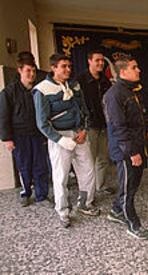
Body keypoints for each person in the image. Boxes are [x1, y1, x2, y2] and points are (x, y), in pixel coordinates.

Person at [33, 53, 100, 228]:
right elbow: (42, 123)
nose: (68, 69)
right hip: (59, 138)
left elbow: (84, 110)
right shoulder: (42, 89)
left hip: (80, 134)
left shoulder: (75, 85)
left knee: (88, 170)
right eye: (63, 66)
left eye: (69, 66)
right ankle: (63, 211)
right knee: (61, 176)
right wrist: (62, 140)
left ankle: (85, 202)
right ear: (53, 68)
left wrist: (84, 130)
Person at [103, 56, 148, 240]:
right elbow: (118, 127)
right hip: (125, 150)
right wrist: (131, 152)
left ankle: (116, 210)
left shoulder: (132, 91)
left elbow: (139, 114)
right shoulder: (114, 95)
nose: (138, 70)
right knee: (128, 187)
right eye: (134, 67)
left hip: (136, 145)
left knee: (133, 184)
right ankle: (133, 223)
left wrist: (147, 129)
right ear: (123, 72)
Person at [0, 52, 49, 207]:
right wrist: (7, 138)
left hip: (38, 134)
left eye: (34, 70)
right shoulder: (9, 92)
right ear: (20, 70)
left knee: (41, 165)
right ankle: (26, 192)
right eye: (28, 70)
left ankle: (42, 195)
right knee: (24, 165)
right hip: (19, 135)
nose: (32, 74)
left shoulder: (40, 90)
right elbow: (3, 116)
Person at [77, 49, 114, 195]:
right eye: (97, 60)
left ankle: (101, 186)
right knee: (89, 160)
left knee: (103, 158)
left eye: (102, 60)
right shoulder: (80, 80)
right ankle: (88, 191)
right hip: (89, 126)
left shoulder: (105, 80)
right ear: (89, 61)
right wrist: (82, 125)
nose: (100, 63)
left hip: (104, 124)